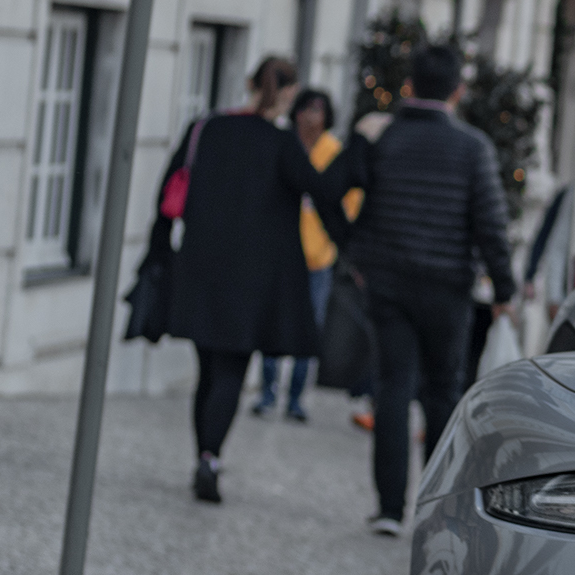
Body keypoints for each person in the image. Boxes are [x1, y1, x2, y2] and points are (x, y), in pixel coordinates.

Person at [329, 43, 516, 537]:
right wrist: (504, 289)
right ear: (457, 90)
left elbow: (328, 189)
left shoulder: (383, 138)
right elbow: (490, 224)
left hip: (386, 281)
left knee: (392, 387)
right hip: (446, 287)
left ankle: (389, 508)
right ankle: (434, 511)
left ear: (409, 85)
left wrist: (353, 249)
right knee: (442, 392)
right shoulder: (472, 147)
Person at [148, 57, 348, 502]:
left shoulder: (207, 129)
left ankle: (203, 452)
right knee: (232, 371)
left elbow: (167, 193)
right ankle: (211, 457)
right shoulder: (282, 145)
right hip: (253, 279)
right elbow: (324, 192)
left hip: (201, 268)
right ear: (289, 94)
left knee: (207, 370)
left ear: (249, 83)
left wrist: (158, 255)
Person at [251, 88, 344, 422]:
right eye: (305, 109)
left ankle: (295, 399)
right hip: (280, 252)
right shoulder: (283, 144)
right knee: (271, 323)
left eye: (318, 110)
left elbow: (344, 203)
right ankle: (267, 392)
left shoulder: (333, 152)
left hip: (318, 258)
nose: (310, 116)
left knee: (310, 327)